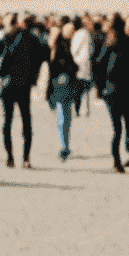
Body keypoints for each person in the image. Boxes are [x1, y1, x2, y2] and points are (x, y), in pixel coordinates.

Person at [0, 13, 44, 168]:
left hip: (8, 84)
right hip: (24, 84)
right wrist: (33, 77)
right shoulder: (33, 39)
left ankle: (9, 157)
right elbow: (41, 56)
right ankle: (26, 158)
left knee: (7, 121)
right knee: (26, 121)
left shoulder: (5, 38)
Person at [96, 15, 129, 172]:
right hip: (128, 89)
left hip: (112, 89)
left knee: (117, 128)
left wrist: (100, 89)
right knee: (128, 125)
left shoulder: (108, 45)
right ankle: (128, 154)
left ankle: (117, 161)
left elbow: (99, 66)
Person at [45, 25, 78, 161]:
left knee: (64, 118)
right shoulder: (53, 50)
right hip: (60, 87)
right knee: (64, 118)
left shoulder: (60, 49)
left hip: (62, 86)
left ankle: (64, 145)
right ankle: (64, 145)